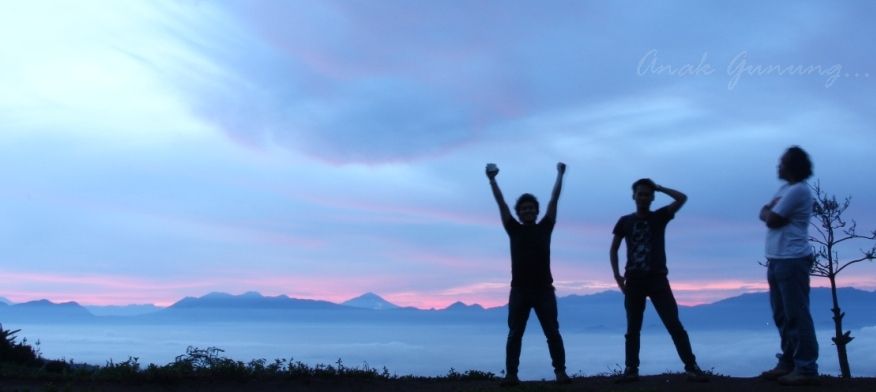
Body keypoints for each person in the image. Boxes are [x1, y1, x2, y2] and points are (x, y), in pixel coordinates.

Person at [609, 179, 708, 383]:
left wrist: (660, 188)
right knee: (633, 328)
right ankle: (631, 369)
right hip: (634, 281)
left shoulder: (660, 217)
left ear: (652, 197)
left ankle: (691, 366)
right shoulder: (624, 221)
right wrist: (618, 276)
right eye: (640, 194)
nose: (643, 197)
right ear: (634, 196)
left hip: (658, 280)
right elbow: (613, 249)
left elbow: (682, 198)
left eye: (647, 194)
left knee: (673, 324)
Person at [486, 162, 571, 386]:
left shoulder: (546, 227)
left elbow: (554, 199)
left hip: (544, 289)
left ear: (537, 210)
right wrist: (492, 180)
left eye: (531, 208)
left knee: (552, 332)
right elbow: (501, 203)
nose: (528, 211)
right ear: (519, 213)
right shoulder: (513, 229)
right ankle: (511, 375)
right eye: (524, 209)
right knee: (515, 334)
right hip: (520, 290)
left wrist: (560, 175)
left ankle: (560, 372)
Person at [758, 146, 819, 386]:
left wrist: (767, 211)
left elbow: (770, 218)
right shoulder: (785, 189)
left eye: (781, 162)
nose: (778, 166)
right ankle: (788, 362)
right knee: (782, 315)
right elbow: (765, 213)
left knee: (797, 314)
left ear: (792, 166)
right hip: (777, 259)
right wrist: (767, 211)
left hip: (792, 260)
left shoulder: (798, 191)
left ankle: (805, 368)